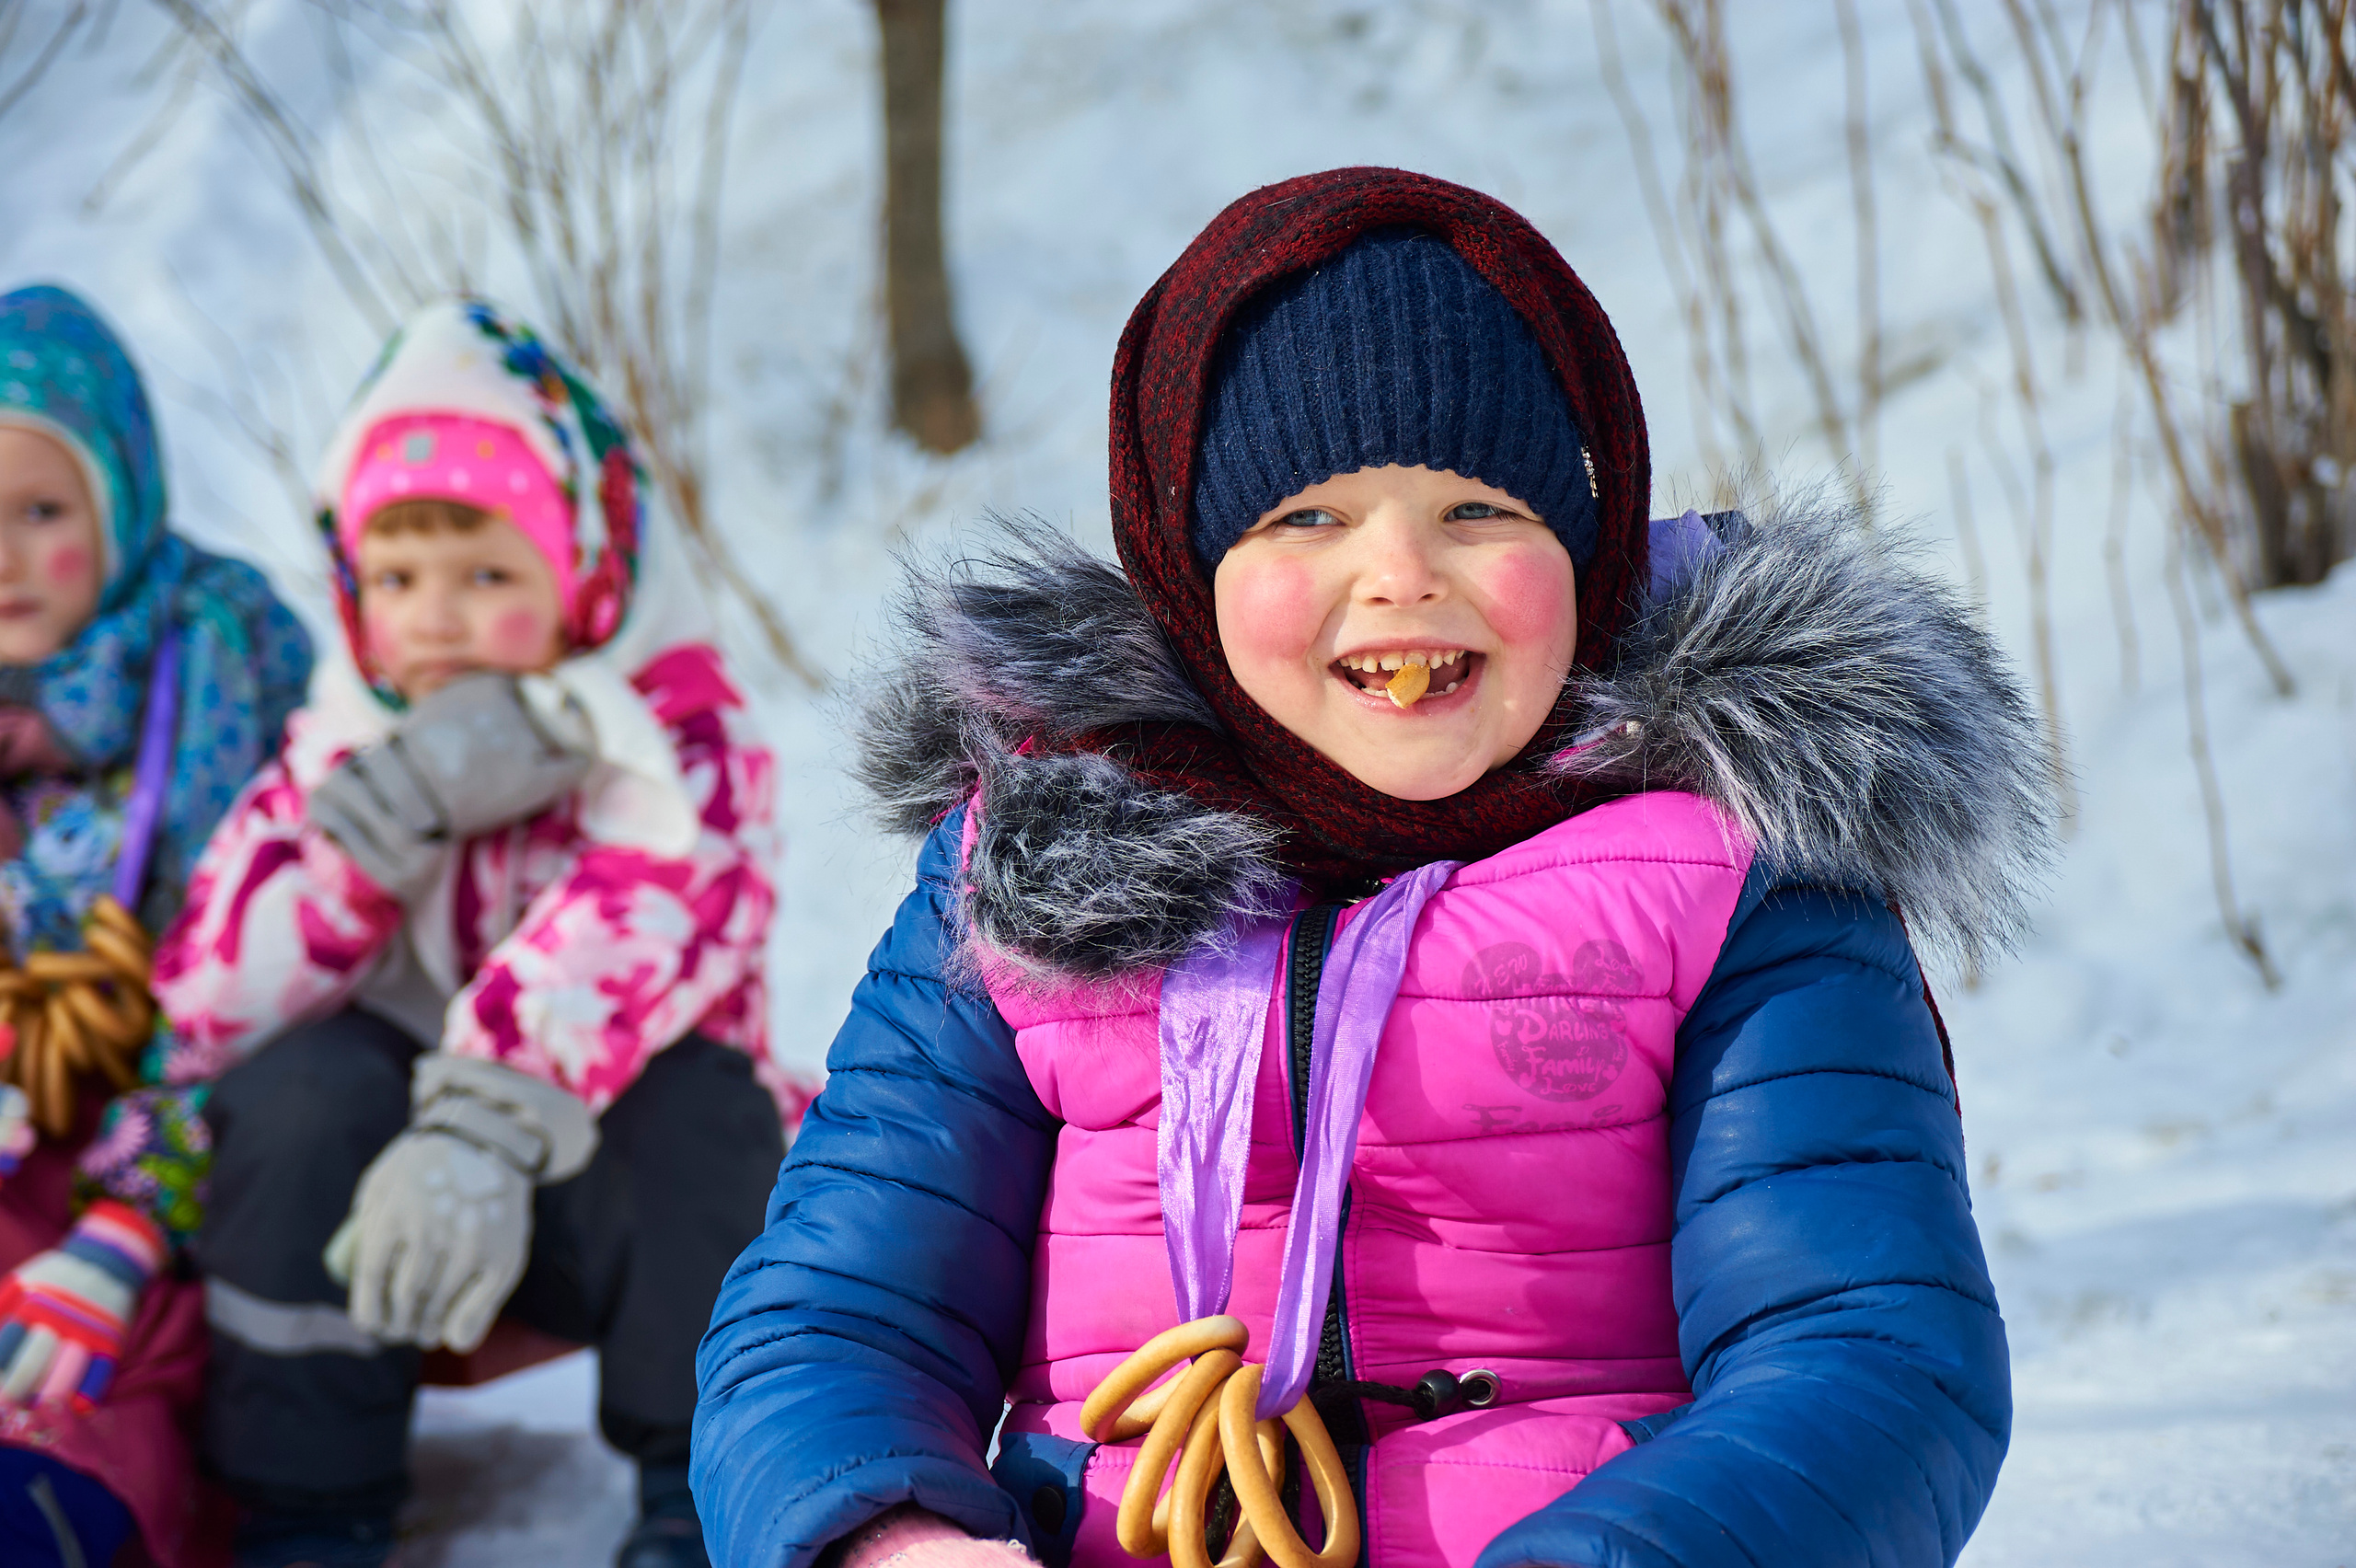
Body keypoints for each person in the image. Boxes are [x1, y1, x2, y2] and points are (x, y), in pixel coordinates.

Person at [693, 168, 2056, 1568]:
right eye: (1306, 519)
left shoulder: (1734, 869)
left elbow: (1868, 1356)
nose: (1401, 574)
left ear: (1586, 554)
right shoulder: (1027, 874)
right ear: (1187, 566)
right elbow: (835, 1314)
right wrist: (893, 1536)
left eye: (1477, 510)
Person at [153, 298, 797, 1568]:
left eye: (487, 574)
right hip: (371, 1235)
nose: (434, 618)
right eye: (397, 579)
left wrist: (485, 1117)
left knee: (709, 1107)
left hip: (589, 1207)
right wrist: (379, 824)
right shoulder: (343, 750)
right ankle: (306, 1501)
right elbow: (207, 1003)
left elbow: (655, 914)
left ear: (583, 575)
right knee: (295, 1093)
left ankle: (699, 1489)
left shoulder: (677, 736)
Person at [0, 284, 312, 1568]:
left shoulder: (215, 670)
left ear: (118, 504)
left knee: (80, 1370)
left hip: (177, 1155)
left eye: (41, 511)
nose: (5, 557)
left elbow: (250, 992)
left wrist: (132, 1215)